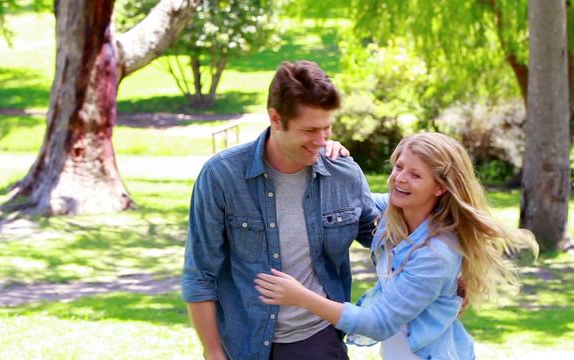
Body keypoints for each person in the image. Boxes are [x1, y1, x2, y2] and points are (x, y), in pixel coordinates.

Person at [255, 132, 539, 360]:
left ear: (440, 187)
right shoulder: (396, 212)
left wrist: (300, 296)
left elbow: (378, 323)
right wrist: (335, 156)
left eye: (416, 175)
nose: (400, 178)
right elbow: (357, 202)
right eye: (399, 167)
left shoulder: (436, 254)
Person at [181, 60, 380, 360]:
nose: (321, 141)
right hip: (244, 345)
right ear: (276, 118)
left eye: (327, 129)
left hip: (319, 341)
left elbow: (384, 236)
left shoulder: (343, 172)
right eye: (310, 130)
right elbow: (199, 275)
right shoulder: (222, 176)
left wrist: (450, 268)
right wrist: (213, 353)